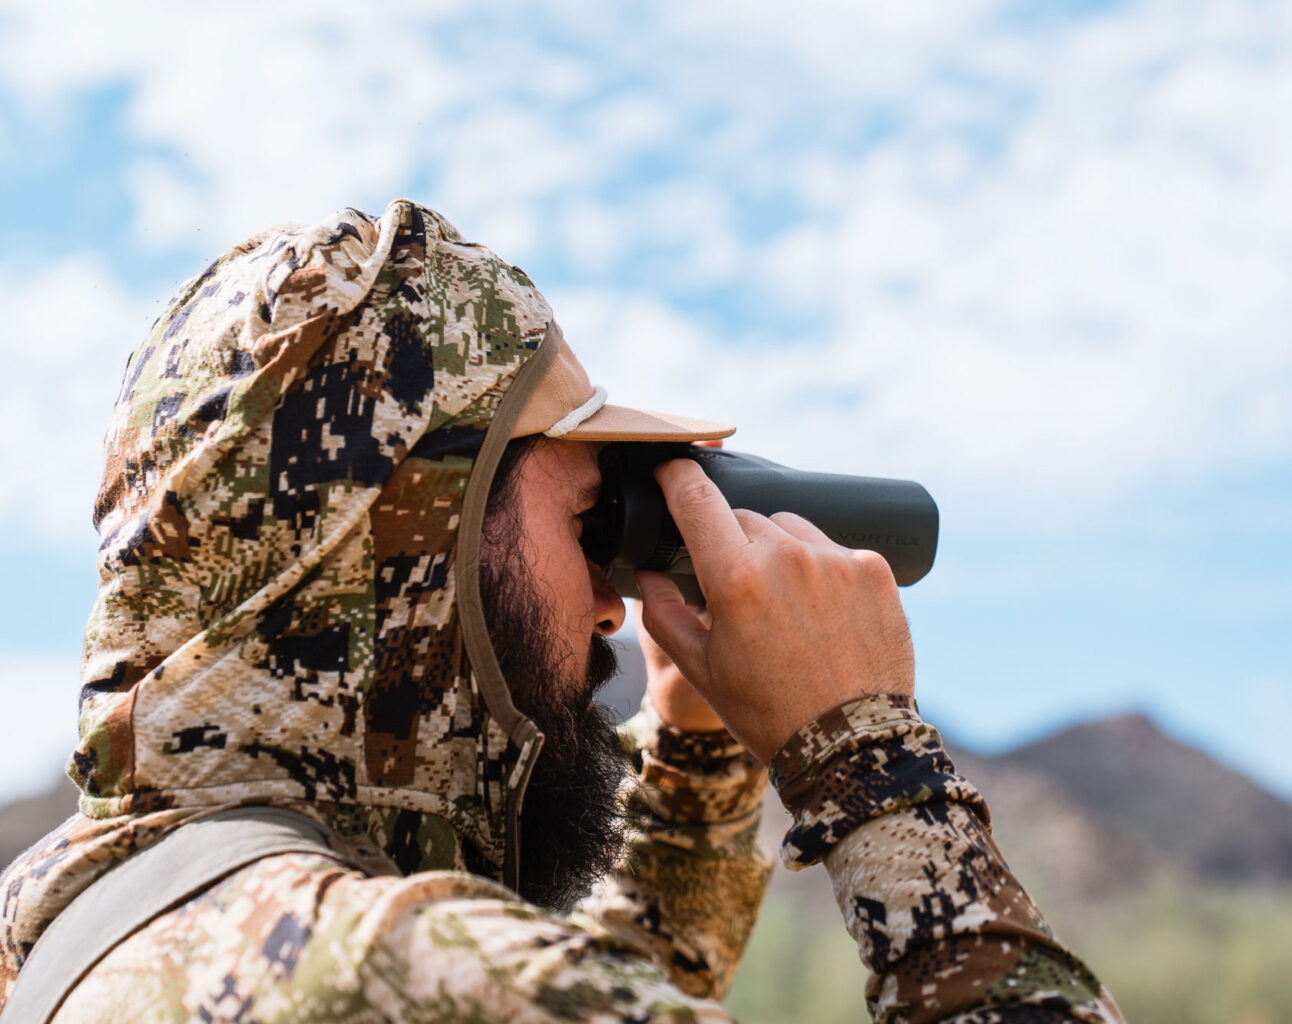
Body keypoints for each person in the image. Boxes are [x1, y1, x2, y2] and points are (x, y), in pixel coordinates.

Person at [0, 200, 1125, 1023]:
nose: (607, 602)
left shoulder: (70, 926)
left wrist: (697, 761)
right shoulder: (386, 969)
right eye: (592, 520)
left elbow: (597, 986)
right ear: (421, 540)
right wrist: (868, 757)